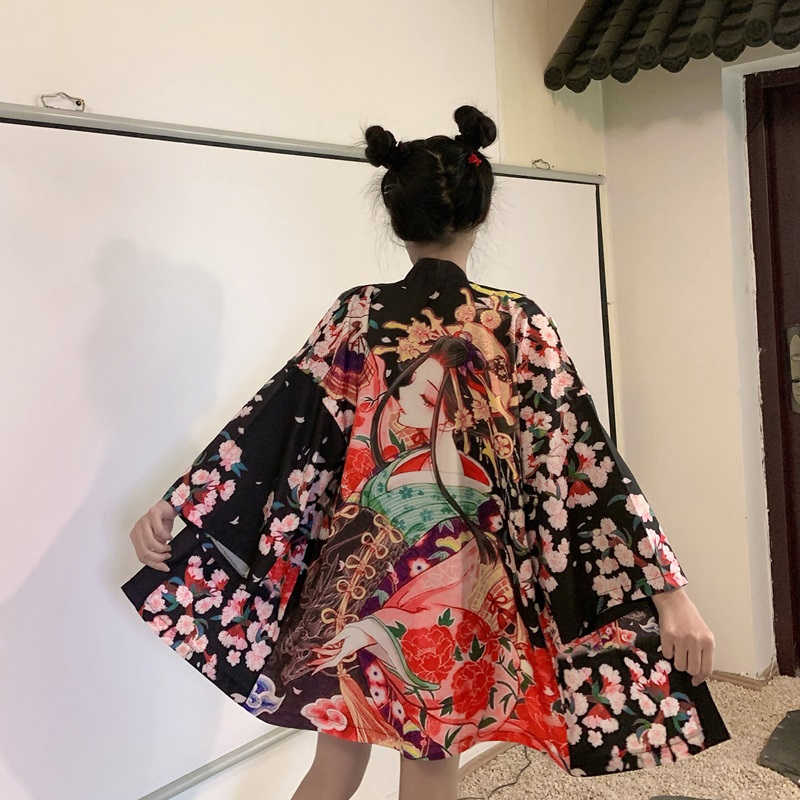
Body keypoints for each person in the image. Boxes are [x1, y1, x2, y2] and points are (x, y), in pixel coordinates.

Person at [122, 106, 730, 800]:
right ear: (480, 214)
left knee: (334, 762)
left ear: (397, 219)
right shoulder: (516, 323)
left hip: (354, 576)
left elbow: (277, 425)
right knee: (431, 762)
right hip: (460, 585)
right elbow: (583, 456)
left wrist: (185, 503)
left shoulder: (357, 314)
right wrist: (669, 590)